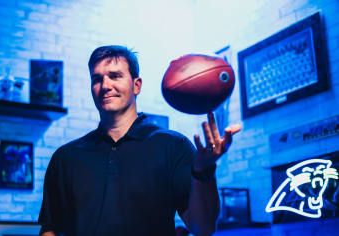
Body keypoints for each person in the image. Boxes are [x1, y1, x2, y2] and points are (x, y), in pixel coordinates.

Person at [38, 45, 241, 236]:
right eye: (97, 79)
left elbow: (203, 227)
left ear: (137, 85)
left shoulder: (172, 146)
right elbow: (51, 228)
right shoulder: (66, 157)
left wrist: (203, 170)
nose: (105, 85)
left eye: (115, 76)